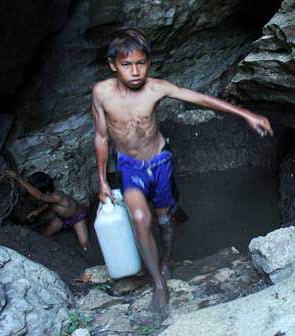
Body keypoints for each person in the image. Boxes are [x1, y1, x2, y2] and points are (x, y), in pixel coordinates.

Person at [91, 27, 273, 316]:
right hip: (129, 167)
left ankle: (168, 259)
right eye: (126, 65)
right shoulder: (102, 93)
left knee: (164, 222)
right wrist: (102, 180)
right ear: (113, 65)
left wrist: (246, 114)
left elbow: (198, 99)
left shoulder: (156, 88)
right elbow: (101, 138)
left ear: (148, 63)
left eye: (141, 63)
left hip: (160, 162)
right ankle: (158, 281)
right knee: (140, 217)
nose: (135, 71)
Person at [4, 170, 90, 250]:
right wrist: (37, 212)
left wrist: (17, 177)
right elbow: (47, 204)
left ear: (46, 191)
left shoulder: (57, 196)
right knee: (45, 234)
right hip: (62, 219)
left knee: (84, 244)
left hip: (77, 218)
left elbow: (40, 196)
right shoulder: (50, 197)